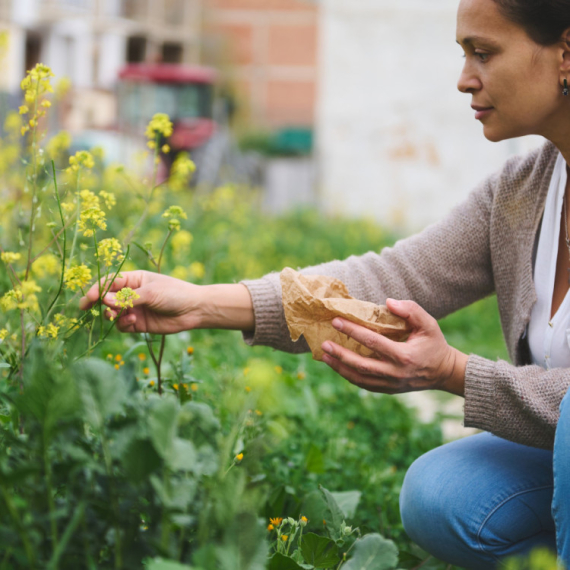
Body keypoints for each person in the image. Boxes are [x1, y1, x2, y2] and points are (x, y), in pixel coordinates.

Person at [80, 0, 570, 567]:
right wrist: (200, 305)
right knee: (444, 495)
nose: (464, 80)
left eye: (483, 53)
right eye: (464, 54)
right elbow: (388, 278)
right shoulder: (523, 190)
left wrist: (454, 373)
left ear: (564, 52)